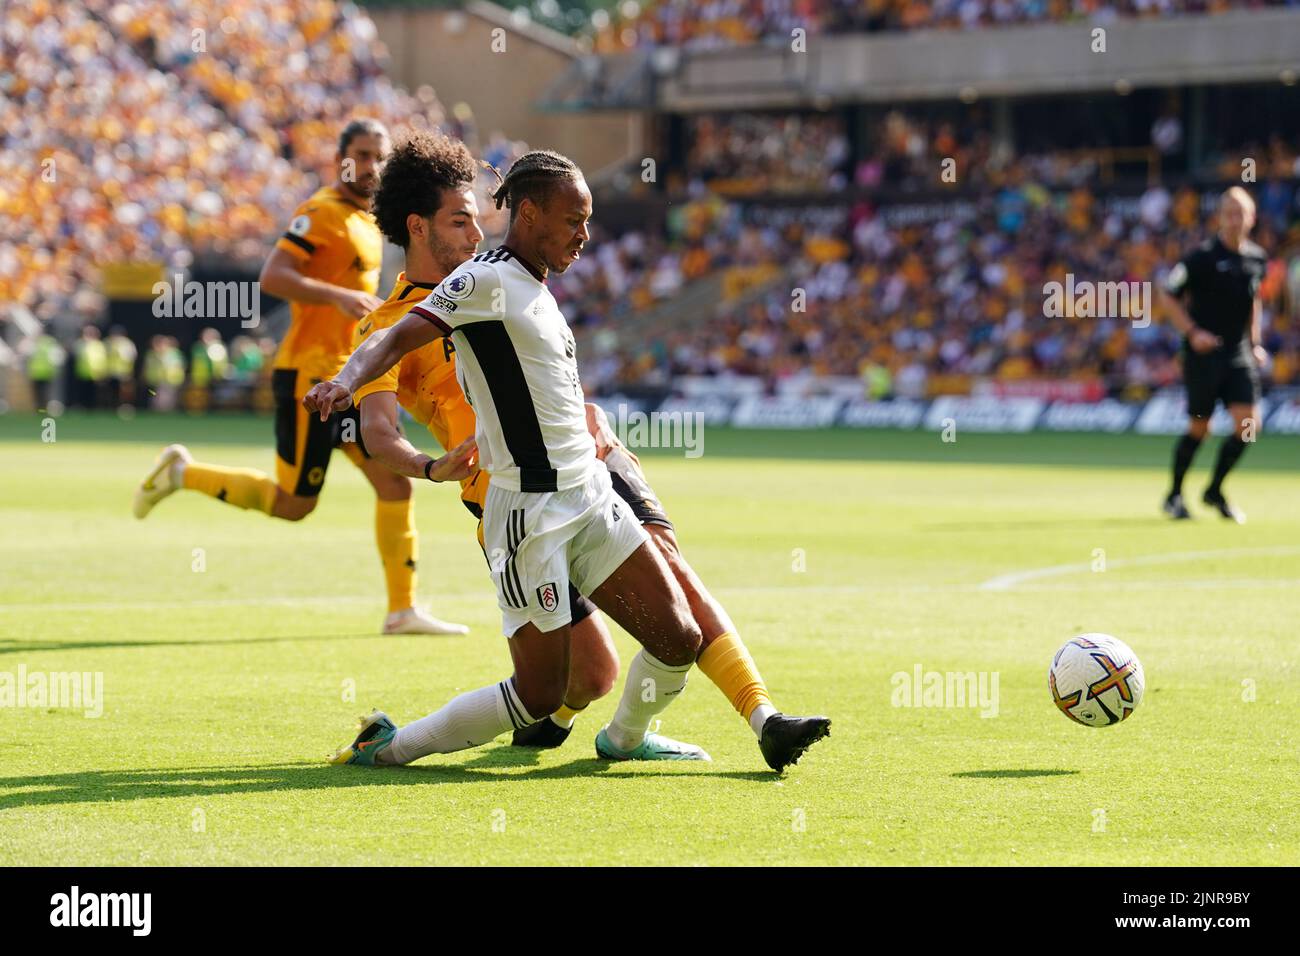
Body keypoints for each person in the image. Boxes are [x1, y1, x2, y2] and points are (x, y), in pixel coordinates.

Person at [307, 148, 830, 771]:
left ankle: (651, 733)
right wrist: (357, 392)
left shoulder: (530, 284)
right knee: (552, 690)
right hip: (521, 506)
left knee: (677, 632)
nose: (585, 236)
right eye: (574, 220)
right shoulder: (474, 284)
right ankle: (395, 747)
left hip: (588, 486)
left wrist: (594, 423)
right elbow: (391, 355)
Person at [131, 120, 466, 636]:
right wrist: (337, 296)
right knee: (294, 505)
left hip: (349, 380)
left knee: (395, 484)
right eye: (361, 154)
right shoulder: (321, 212)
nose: (372, 166)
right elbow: (273, 276)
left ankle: (402, 610)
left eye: (380, 156)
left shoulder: (366, 221)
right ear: (340, 158)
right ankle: (182, 473)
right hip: (310, 378)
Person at [1159, 187, 1269, 523]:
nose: (1236, 219)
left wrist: (1255, 342)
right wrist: (1193, 333)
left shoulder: (1256, 259)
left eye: (1242, 213)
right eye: (1230, 213)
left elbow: (1254, 301)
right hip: (1204, 358)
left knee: (1249, 425)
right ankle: (1175, 494)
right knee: (1199, 428)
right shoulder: (1200, 258)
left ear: (1251, 218)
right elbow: (1168, 295)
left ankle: (1215, 489)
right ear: (1220, 217)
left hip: (1238, 356)